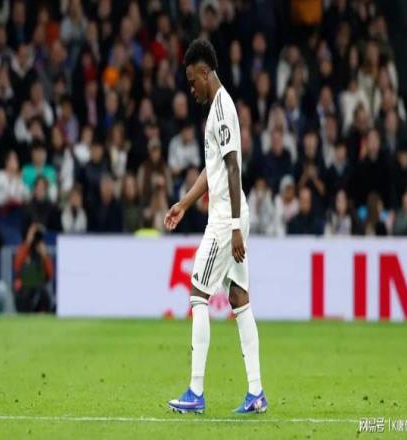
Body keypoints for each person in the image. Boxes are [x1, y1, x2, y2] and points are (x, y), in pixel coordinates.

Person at [164, 39, 267, 414]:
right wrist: (184, 204)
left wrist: (235, 226)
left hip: (226, 219)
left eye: (193, 81)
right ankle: (256, 393)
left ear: (205, 73)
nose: (191, 89)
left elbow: (235, 167)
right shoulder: (219, 109)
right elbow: (214, 170)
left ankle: (195, 392)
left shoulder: (221, 110)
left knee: (197, 292)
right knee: (239, 298)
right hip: (230, 215)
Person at [13, 222, 54, 313]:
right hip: (24, 285)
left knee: (43, 292)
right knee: (26, 292)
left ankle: (42, 313)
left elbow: (50, 275)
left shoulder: (42, 252)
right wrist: (28, 243)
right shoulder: (23, 249)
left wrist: (45, 256)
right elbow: (17, 266)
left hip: (39, 285)